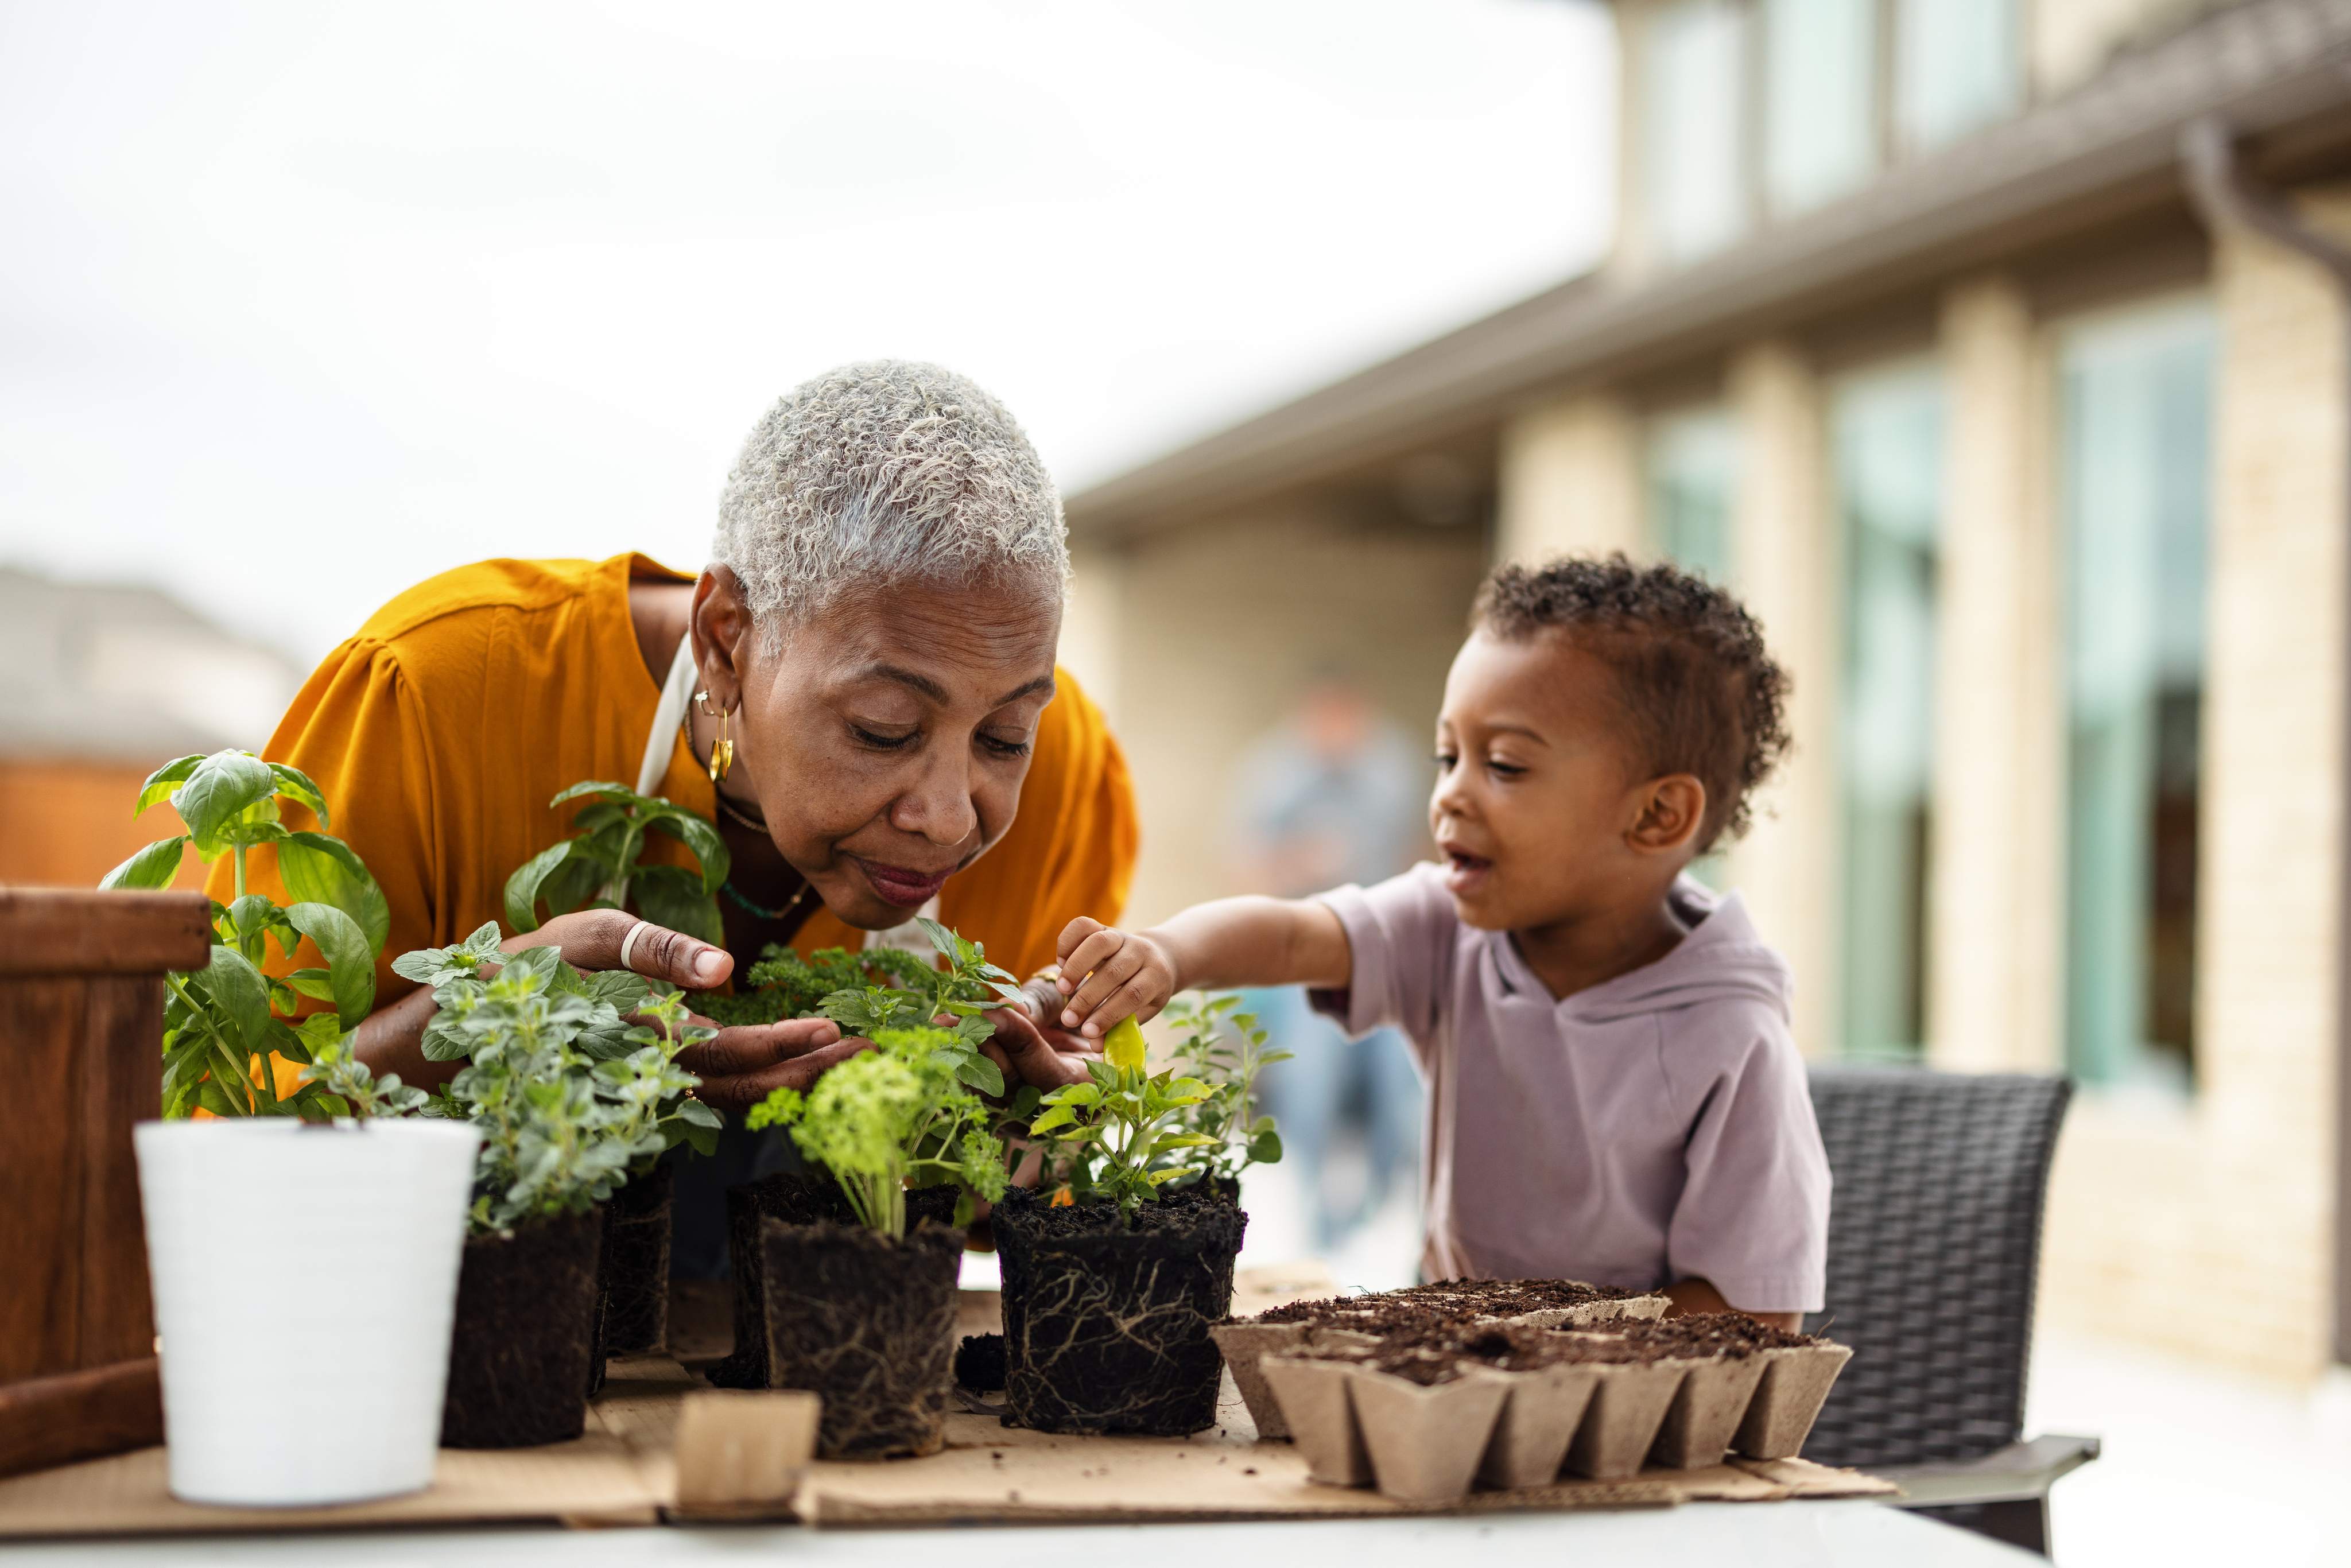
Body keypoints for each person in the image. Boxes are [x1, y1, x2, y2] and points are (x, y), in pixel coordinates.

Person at [216, 361, 1133, 1262]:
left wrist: (1036, 1148)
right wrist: (487, 1016)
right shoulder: (431, 698)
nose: (947, 816)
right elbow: (218, 1141)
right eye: (883, 728)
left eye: (1005, 737)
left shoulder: (1071, 776)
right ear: (726, 642)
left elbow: (1000, 1201)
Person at [1040, 554, 1829, 1328]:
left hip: (1638, 1425)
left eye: (1506, 766)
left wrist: (1556, 1352)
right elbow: (1288, 936)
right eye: (1448, 757)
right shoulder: (1450, 927)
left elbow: (1756, 1310)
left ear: (1657, 817)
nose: (1449, 794)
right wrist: (1171, 956)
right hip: (1458, 1378)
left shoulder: (1732, 1036)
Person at [1227, 678, 1423, 1250]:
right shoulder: (1274, 773)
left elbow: (1415, 849)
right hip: (1307, 954)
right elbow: (1244, 870)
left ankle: (1376, 1205)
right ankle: (1315, 1208)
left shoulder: (1392, 767)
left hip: (1385, 953)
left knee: (1401, 1080)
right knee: (1311, 1077)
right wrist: (1301, 861)